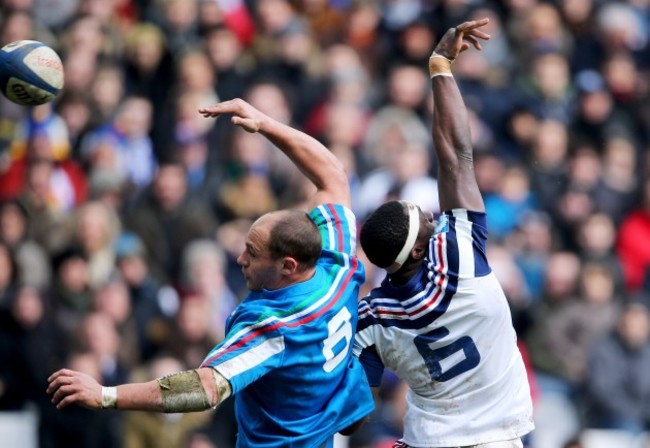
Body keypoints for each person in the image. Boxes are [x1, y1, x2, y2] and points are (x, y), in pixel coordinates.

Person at [47, 98, 375, 447]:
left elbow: (204, 388)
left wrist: (105, 395)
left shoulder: (276, 327)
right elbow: (332, 175)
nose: (239, 260)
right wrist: (264, 123)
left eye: (253, 253)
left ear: (288, 265)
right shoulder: (337, 264)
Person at [353, 18, 535, 448]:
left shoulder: (372, 317)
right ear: (417, 250)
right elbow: (456, 155)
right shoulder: (459, 257)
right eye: (426, 220)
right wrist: (440, 66)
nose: (436, 219)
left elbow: (353, 415)